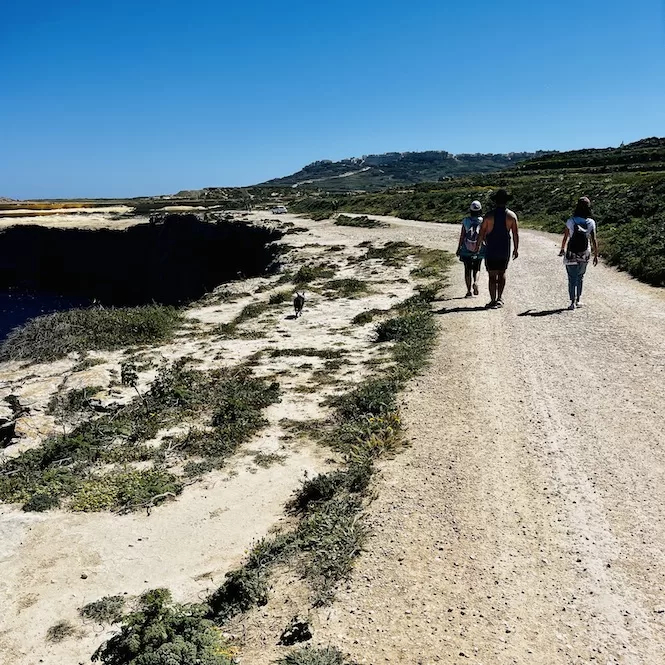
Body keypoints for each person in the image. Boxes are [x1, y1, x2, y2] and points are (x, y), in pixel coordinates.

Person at [476, 189, 519, 308]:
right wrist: (516, 249)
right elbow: (515, 234)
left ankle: (493, 299)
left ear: (495, 201)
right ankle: (500, 298)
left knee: (492, 275)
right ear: (506, 201)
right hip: (504, 249)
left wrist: (478, 246)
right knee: (502, 273)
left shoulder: (489, 216)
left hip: (491, 250)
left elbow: (482, 233)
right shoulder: (511, 216)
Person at [558, 196, 598, 310]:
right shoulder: (591, 222)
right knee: (580, 277)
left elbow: (565, 237)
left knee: (571, 278)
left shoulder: (570, 221)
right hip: (585, 252)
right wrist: (596, 255)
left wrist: (562, 249)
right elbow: (594, 239)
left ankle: (572, 302)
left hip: (571, 252)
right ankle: (579, 300)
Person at [455, 200, 485, 297]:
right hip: (479, 248)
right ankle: (476, 282)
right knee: (477, 268)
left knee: (467, 269)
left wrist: (459, 248)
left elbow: (462, 236)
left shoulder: (466, 221)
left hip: (466, 248)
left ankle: (468, 291)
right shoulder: (483, 221)